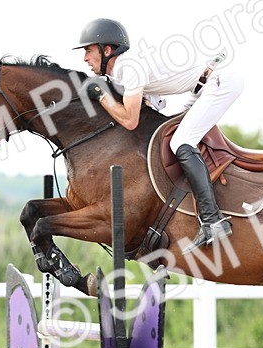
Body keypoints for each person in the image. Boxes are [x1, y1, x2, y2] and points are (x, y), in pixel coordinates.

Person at [74, 17, 240, 250]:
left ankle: (213, 220)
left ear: (107, 50)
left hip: (220, 81)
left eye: (89, 50)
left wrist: (102, 96)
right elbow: (153, 108)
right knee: (172, 135)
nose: (85, 58)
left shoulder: (128, 67)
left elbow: (130, 121)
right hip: (202, 86)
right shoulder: (124, 71)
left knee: (182, 141)